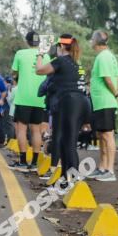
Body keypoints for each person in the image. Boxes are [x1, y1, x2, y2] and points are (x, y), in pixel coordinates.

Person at [35, 35, 86, 185]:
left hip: (71, 103)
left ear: (62, 47)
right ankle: (65, 178)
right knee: (66, 141)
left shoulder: (61, 61)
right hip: (81, 103)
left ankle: (74, 180)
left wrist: (40, 54)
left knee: (68, 143)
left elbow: (39, 70)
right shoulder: (77, 64)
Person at [10, 31, 50, 171]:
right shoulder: (46, 55)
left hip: (23, 97)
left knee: (21, 129)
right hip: (40, 98)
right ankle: (33, 163)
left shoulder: (20, 53)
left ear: (26, 41)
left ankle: (22, 161)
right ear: (39, 42)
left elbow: (14, 73)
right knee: (36, 131)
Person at [87, 30, 118, 182]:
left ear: (96, 41)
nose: (90, 41)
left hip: (105, 101)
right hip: (101, 102)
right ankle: (102, 168)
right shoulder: (108, 56)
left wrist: (115, 96)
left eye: (91, 39)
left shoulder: (104, 57)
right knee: (101, 135)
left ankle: (110, 170)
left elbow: (109, 79)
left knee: (108, 135)